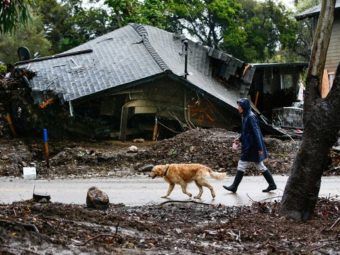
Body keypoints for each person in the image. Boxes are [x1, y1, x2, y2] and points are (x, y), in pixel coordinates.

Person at [223, 98, 276, 193]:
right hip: (250, 146)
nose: (238, 107)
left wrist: (260, 148)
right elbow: (246, 132)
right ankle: (272, 184)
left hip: (252, 147)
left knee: (242, 164)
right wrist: (239, 139)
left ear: (244, 107)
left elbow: (257, 133)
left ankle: (234, 187)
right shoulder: (245, 116)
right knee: (260, 166)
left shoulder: (250, 117)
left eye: (239, 106)